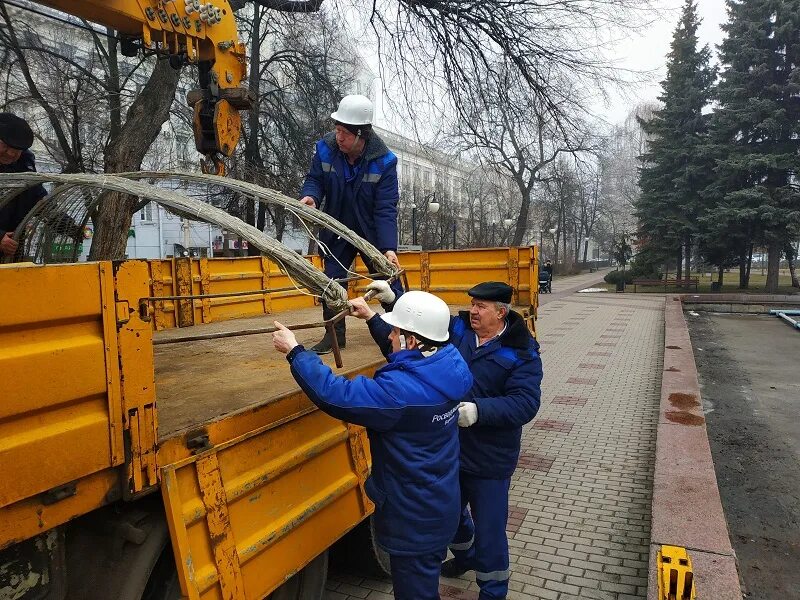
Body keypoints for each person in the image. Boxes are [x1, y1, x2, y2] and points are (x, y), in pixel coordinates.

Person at [272, 290, 474, 600]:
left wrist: (296, 351)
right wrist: (371, 317)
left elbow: (335, 394)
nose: (390, 336)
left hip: (412, 520)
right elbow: (407, 359)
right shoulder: (451, 364)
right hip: (439, 507)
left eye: (395, 331)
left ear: (412, 340)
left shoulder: (400, 393)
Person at [362, 280, 543, 599]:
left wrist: (479, 411)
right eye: (472, 304)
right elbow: (419, 329)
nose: (472, 311)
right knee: (454, 518)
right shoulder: (458, 330)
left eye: (481, 307)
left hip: (490, 460)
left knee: (489, 531)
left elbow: (526, 403)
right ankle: (465, 558)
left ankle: (493, 589)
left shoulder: (522, 351)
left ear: (501, 313)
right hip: (452, 453)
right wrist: (394, 301)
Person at [298, 94, 402, 354]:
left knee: (387, 279)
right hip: (337, 228)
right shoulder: (326, 149)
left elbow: (386, 208)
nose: (338, 136)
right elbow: (315, 179)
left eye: (344, 132)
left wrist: (388, 248)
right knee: (331, 281)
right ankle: (334, 335)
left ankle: (403, 329)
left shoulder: (385, 162)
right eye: (337, 129)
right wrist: (311, 196)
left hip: (372, 232)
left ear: (361, 135)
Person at [0, 113, 47, 258]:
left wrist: (71, 227)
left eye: (18, 150)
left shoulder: (25, 166)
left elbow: (40, 202)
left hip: (12, 254)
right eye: (6, 147)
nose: (11, 154)